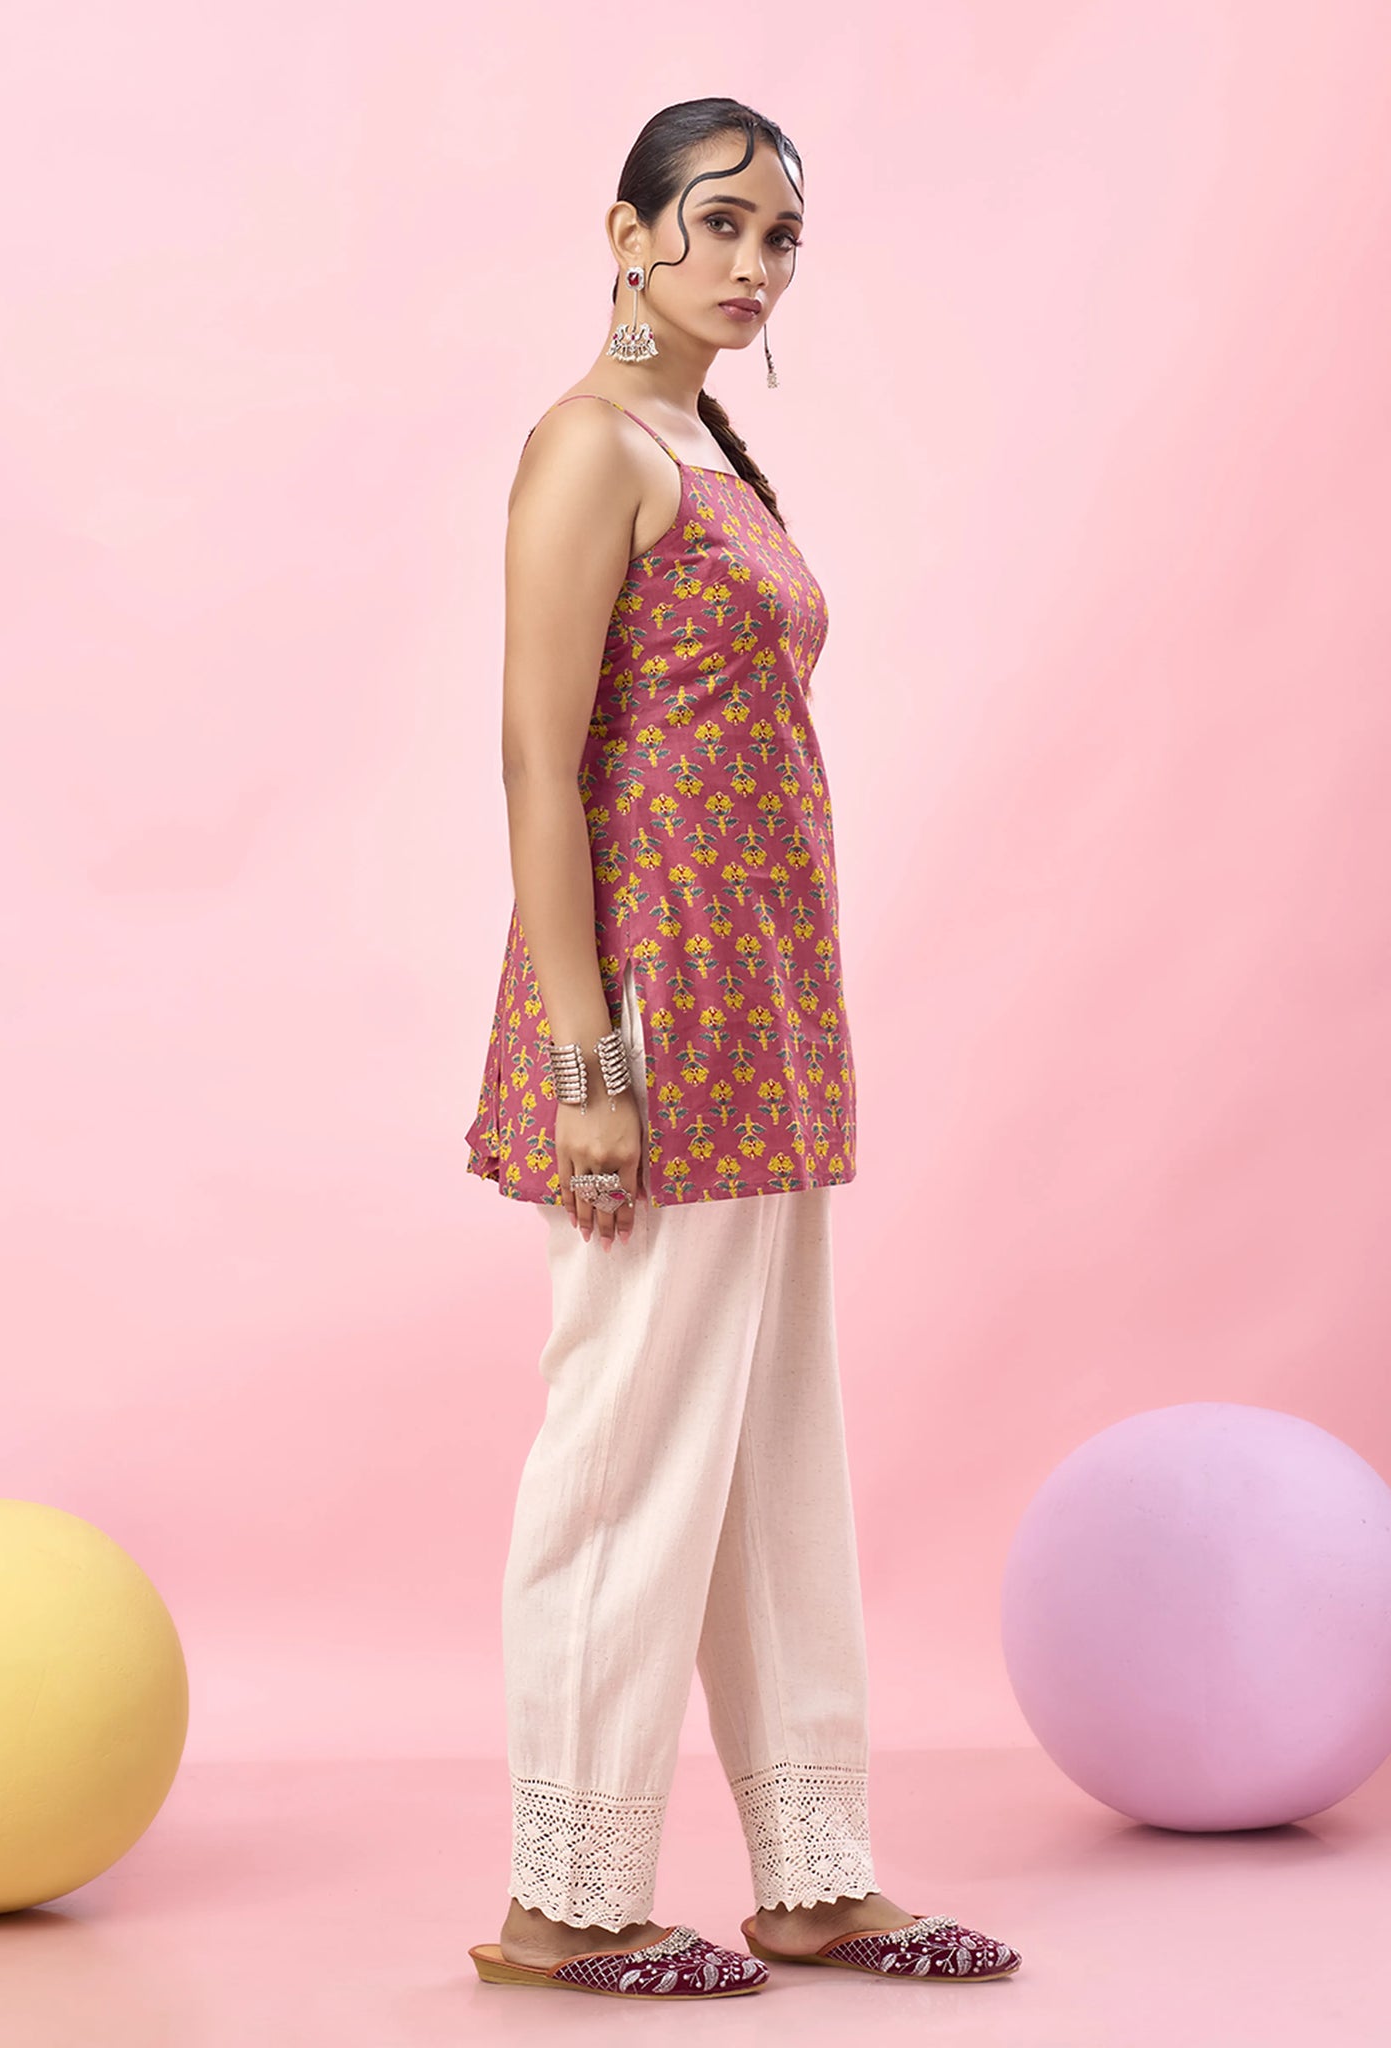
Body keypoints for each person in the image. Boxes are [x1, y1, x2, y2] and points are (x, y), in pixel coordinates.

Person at [466, 98, 1022, 2003]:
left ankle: (814, 1871)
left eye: (780, 235)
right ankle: (566, 1900)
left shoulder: (712, 448)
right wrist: (585, 1064)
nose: (752, 263)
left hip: (761, 1019)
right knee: (626, 1453)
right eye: (716, 223)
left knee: (775, 1460)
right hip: (645, 1024)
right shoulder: (590, 446)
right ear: (626, 235)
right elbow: (538, 761)